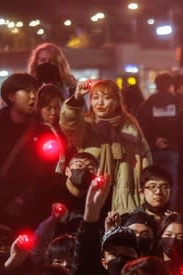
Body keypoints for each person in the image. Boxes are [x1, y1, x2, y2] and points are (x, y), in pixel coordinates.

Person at [0, 73, 64, 230]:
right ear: (11, 96)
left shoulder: (45, 132)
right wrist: (5, 199)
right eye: (27, 91)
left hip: (35, 214)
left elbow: (51, 172)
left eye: (35, 92)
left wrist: (24, 199)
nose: (32, 96)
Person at [60, 79, 152, 215]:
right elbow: (69, 123)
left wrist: (147, 187)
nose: (100, 103)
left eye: (107, 98)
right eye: (95, 98)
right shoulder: (86, 126)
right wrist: (77, 98)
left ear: (117, 102)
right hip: (91, 193)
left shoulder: (131, 129)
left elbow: (145, 158)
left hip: (125, 196)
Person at [137, 73, 182, 207]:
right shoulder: (178, 102)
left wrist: (154, 140)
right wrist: (171, 141)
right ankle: (169, 210)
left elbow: (142, 126)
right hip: (172, 150)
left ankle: (154, 208)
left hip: (154, 150)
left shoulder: (149, 103)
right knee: (171, 182)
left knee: (153, 181)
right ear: (171, 85)